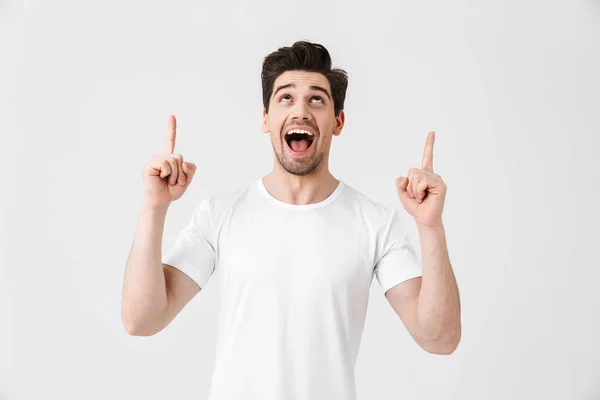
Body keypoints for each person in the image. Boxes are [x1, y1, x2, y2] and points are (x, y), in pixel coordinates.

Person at [121, 40, 461, 400]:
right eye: (285, 98)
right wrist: (153, 207)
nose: (300, 111)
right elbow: (141, 320)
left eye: (317, 99)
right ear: (266, 119)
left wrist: (430, 226)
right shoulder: (220, 215)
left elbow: (440, 338)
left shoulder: (376, 223)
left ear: (338, 121)